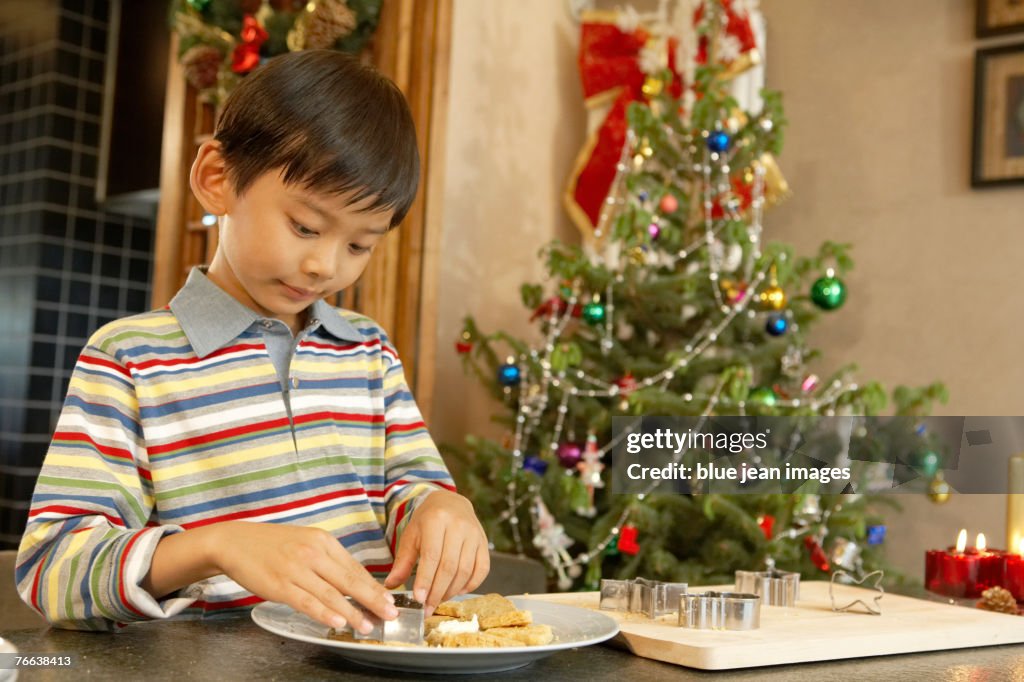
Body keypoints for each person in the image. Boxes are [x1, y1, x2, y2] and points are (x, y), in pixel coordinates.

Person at [15, 50, 489, 632]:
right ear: (217, 180)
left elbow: (413, 491)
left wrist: (444, 507)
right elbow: (51, 569)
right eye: (305, 227)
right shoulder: (130, 359)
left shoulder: (368, 352)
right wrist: (216, 546)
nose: (324, 265)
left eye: (359, 246)